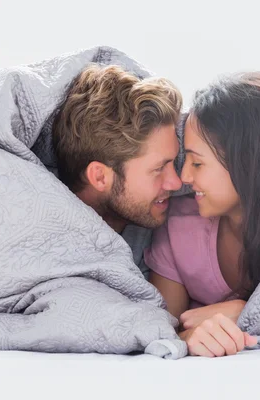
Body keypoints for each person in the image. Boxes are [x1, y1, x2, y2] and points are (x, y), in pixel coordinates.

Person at [144, 72, 260, 357]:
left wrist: (247, 313)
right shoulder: (178, 228)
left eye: (197, 162)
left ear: (248, 166)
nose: (184, 176)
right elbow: (164, 329)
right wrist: (192, 335)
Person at [52, 64, 184, 275]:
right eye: (159, 168)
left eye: (173, 161)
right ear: (100, 176)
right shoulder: (54, 251)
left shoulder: (153, 232)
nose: (177, 182)